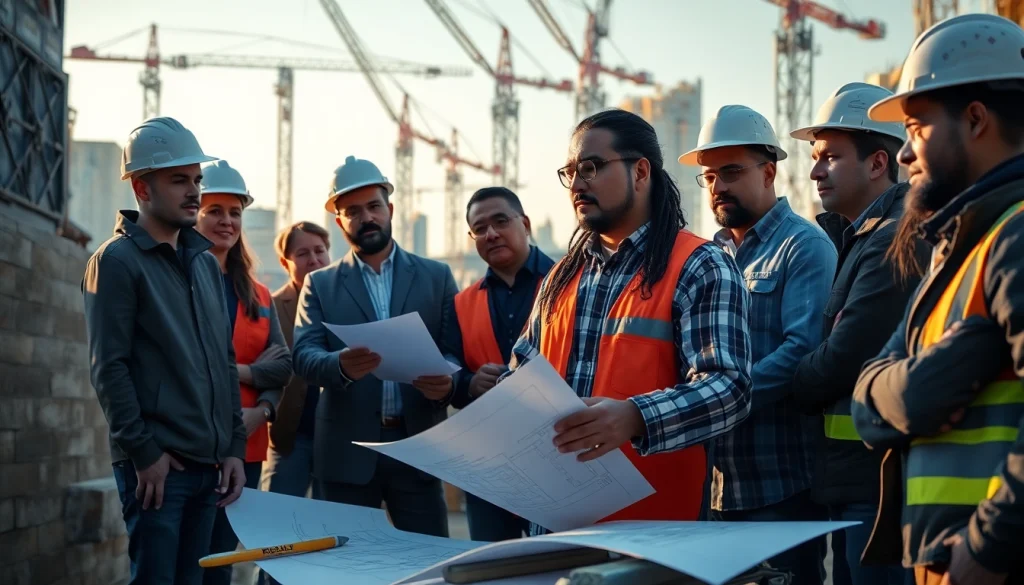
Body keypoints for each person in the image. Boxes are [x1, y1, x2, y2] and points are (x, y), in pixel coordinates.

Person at [500, 108, 754, 535]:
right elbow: (521, 375)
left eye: (592, 167)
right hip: (554, 527)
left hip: (654, 537)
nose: (578, 184)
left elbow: (729, 387)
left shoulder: (700, 266)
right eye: (570, 172)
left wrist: (635, 417)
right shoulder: (561, 278)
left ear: (640, 172)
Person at [851, 13, 1024, 585]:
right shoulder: (955, 253)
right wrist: (915, 387)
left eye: (917, 127)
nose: (904, 154)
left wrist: (987, 547)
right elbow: (862, 398)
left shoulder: (1016, 237)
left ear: (975, 119)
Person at [82, 117, 247, 585]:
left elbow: (225, 362)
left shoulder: (203, 264)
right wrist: (144, 452)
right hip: (159, 472)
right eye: (179, 180)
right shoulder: (115, 263)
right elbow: (108, 369)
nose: (195, 190)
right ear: (141, 187)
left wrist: (233, 447)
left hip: (210, 468)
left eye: (196, 178)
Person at [680, 105, 837, 585]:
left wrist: (719, 398)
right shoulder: (709, 256)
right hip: (716, 487)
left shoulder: (802, 247)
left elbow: (802, 351)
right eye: (709, 177)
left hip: (782, 486)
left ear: (769, 171)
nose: (717, 187)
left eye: (731, 172)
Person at [788, 82, 923, 585]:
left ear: (876, 164)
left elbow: (844, 356)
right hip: (855, 479)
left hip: (879, 483)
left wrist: (795, 377)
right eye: (815, 156)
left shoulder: (892, 240)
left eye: (830, 157)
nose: (815, 170)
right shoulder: (860, 236)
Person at [292, 156, 459, 537]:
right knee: (347, 568)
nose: (366, 217)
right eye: (353, 211)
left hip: (418, 447)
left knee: (427, 564)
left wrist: (447, 381)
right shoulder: (320, 284)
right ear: (339, 222)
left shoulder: (437, 277)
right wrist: (339, 365)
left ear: (391, 209)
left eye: (374, 206)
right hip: (345, 452)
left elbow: (454, 350)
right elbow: (304, 355)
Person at [195, 160, 292, 585]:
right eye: (215, 210)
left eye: (235, 212)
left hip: (248, 446)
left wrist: (265, 409)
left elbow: (283, 366)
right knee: (188, 560)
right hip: (192, 443)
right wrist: (252, 372)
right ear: (193, 211)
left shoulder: (258, 293)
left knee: (222, 560)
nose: (227, 221)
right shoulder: (177, 281)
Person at [447, 186, 555, 541]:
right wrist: (468, 383)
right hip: (490, 464)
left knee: (562, 564)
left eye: (500, 221)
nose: (490, 233)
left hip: (560, 455)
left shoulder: (571, 282)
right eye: (479, 228)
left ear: (524, 223)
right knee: (492, 569)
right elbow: (450, 371)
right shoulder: (461, 303)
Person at [257, 221, 332, 585]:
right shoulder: (272, 307)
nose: (313, 259)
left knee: (327, 538)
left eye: (319, 251)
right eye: (302, 253)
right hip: (289, 437)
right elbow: (267, 367)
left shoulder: (342, 299)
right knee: (277, 538)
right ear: (286, 262)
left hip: (337, 439)